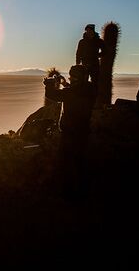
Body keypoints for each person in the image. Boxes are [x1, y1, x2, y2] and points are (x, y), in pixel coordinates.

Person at [44, 64, 96, 199]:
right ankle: (84, 192)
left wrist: (49, 84)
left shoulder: (71, 92)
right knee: (80, 162)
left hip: (69, 132)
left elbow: (52, 95)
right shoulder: (90, 89)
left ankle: (68, 195)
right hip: (83, 130)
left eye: (72, 77)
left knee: (66, 163)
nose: (70, 79)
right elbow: (75, 91)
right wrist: (65, 84)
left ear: (76, 78)